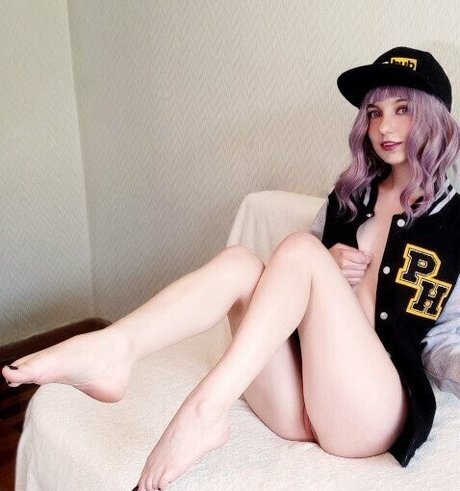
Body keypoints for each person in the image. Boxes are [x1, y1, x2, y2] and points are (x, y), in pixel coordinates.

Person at [2, 46, 460, 491]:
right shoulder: (347, 199)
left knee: (302, 251)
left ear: (434, 117)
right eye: (374, 112)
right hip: (302, 405)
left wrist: (318, 264)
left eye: (403, 109)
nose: (385, 127)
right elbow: (291, 295)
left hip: (370, 416)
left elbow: (445, 341)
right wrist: (328, 271)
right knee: (241, 261)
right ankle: (115, 348)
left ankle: (204, 410)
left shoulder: (455, 222)